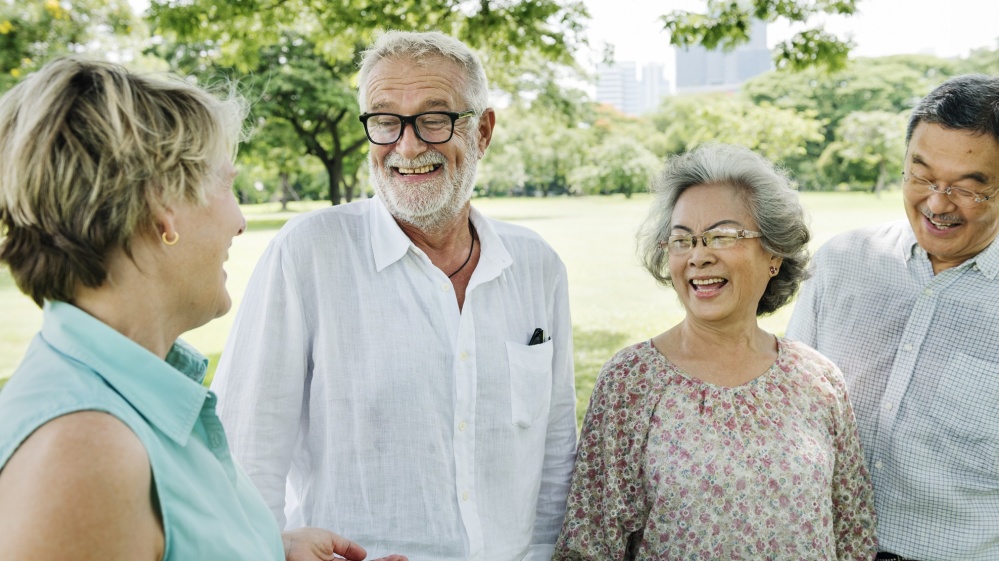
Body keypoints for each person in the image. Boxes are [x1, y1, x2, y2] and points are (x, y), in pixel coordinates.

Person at [210, 30, 577, 560]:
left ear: (483, 131)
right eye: (385, 120)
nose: (407, 146)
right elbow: (245, 455)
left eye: (435, 118)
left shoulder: (537, 265)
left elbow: (554, 459)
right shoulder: (309, 253)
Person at [0, 57, 380, 561]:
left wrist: (269, 549)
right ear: (163, 207)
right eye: (227, 184)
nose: (240, 221)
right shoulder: (85, 450)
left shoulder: (128, 397)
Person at [553, 143, 877, 560]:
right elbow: (590, 545)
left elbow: (853, 531)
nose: (699, 257)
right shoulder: (631, 380)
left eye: (722, 236)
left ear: (774, 253)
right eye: (682, 240)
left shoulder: (818, 379)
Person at [786, 74, 999, 561]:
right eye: (921, 175)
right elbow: (790, 410)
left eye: (968, 188)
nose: (938, 203)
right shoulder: (841, 262)